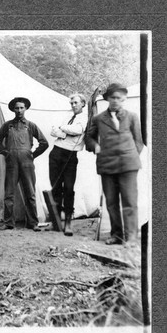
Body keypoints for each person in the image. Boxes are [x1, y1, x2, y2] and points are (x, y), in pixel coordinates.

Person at [85, 83, 144, 246]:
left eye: (119, 98)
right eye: (112, 98)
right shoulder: (98, 119)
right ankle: (116, 235)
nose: (116, 101)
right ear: (107, 99)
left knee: (129, 201)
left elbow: (139, 141)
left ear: (124, 98)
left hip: (128, 165)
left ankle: (131, 237)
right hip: (107, 165)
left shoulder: (132, 117)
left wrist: (130, 156)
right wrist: (95, 147)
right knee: (111, 202)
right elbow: (88, 138)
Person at [0, 97, 49, 231]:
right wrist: (5, 153)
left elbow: (44, 143)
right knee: (9, 194)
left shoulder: (30, 125)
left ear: (26, 109)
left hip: (27, 163)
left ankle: (33, 223)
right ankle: (8, 223)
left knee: (30, 193)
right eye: (16, 108)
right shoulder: (8, 125)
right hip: (12, 162)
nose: (19, 110)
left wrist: (32, 155)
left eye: (21, 108)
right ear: (13, 109)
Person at [49, 93, 89, 236]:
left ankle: (68, 223)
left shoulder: (85, 118)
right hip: (56, 153)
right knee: (55, 187)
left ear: (83, 104)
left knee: (69, 188)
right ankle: (57, 221)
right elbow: (53, 130)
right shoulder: (67, 116)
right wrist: (64, 131)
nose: (73, 105)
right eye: (71, 103)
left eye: (76, 103)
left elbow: (78, 130)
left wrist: (62, 129)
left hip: (70, 155)